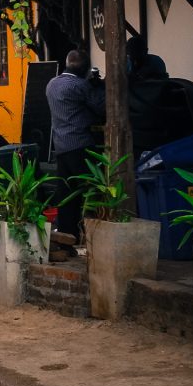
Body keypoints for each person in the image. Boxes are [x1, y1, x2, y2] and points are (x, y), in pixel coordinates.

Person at [46, 49, 106, 245]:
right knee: (94, 190)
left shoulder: (52, 84)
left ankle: (68, 235)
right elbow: (101, 107)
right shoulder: (80, 85)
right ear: (85, 68)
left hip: (61, 146)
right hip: (81, 144)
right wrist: (97, 86)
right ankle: (97, 235)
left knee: (67, 194)